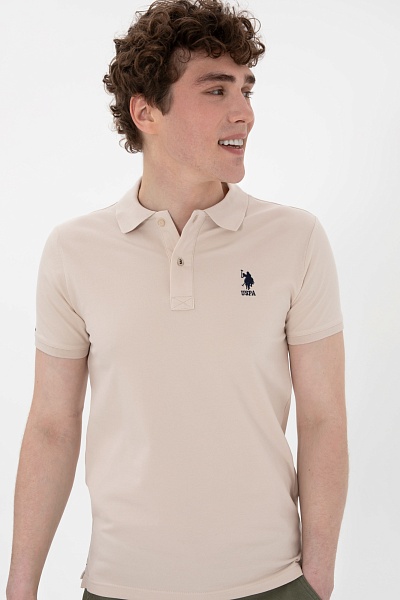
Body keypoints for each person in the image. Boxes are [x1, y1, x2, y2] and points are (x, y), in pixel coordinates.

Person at [6, 1, 349, 599]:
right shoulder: (73, 251)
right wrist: (20, 586)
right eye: (216, 90)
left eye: (246, 88)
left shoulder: (296, 239)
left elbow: (323, 418)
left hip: (272, 583)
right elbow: (52, 428)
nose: (244, 112)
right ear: (145, 112)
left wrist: (317, 581)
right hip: (119, 586)